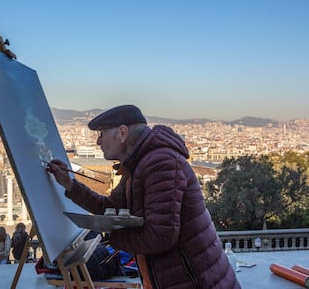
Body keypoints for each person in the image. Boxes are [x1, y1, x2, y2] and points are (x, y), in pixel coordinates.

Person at [47, 104, 241, 288]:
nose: (98, 141)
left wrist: (113, 238)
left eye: (101, 134)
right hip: (181, 276)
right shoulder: (139, 164)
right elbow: (109, 207)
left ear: (122, 133)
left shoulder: (161, 163)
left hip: (193, 280)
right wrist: (69, 184)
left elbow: (161, 236)